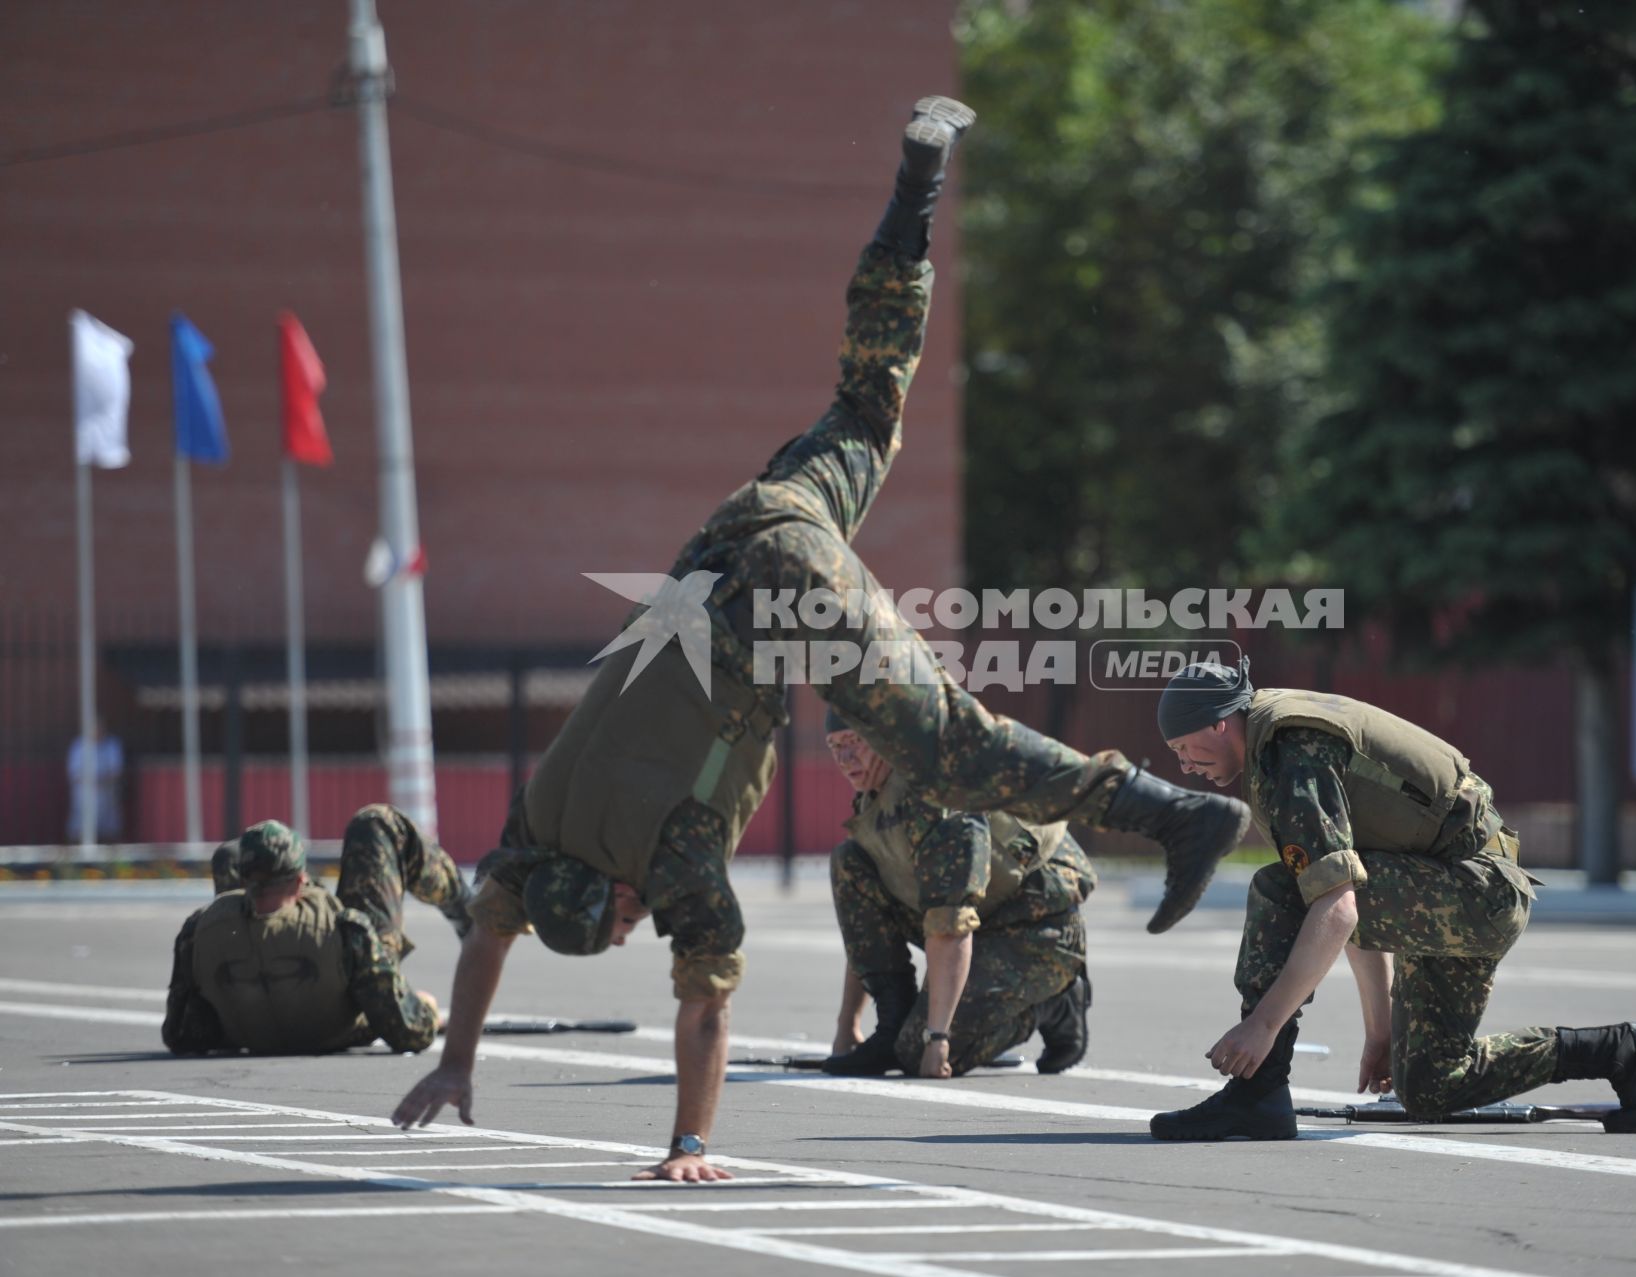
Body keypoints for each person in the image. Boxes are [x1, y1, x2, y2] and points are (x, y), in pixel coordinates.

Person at [389, 97, 1250, 1182]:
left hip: (783, 593)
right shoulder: (533, 825)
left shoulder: (669, 859)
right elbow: (482, 934)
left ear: (610, 892)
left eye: (621, 927)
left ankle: (1168, 813)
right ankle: (917, 186)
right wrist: (457, 1058)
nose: (635, 929)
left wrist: (688, 1143)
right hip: (747, 520)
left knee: (947, 743)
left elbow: (705, 1008)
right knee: (866, 399)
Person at [1146, 659, 1636, 1140]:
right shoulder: (1273, 738)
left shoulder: (1290, 751)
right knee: (1430, 1087)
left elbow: (1337, 904)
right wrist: (1380, 1034)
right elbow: (1351, 892)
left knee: (1279, 890)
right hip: (1456, 887)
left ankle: (1256, 1094)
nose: (1184, 767)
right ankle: (1622, 1051)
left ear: (1218, 723)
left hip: (1473, 889)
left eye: (1183, 749)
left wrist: (1261, 1026)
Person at [818, 709, 1094, 1079]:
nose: (845, 758)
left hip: (1038, 927)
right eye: (835, 747)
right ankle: (893, 1024)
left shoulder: (934, 797)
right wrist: (846, 1027)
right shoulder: (877, 793)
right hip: (982, 917)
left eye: (855, 743)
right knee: (849, 862)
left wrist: (936, 1040)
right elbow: (865, 925)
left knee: (914, 1053)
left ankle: (1058, 1002)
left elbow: (953, 923)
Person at [163, 808, 472, 1055]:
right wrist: (427, 1011)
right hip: (339, 1025)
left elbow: (180, 1034)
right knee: (376, 824)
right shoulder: (347, 930)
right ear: (301, 882)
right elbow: (407, 1033)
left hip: (250, 1026)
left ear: (242, 880)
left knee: (230, 852)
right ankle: (470, 914)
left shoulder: (200, 929)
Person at [66, 718, 123, 842]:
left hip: (107, 794)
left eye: (100, 728)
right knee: (80, 827)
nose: (97, 732)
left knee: (108, 828)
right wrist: (90, 782)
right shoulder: (79, 746)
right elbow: (74, 774)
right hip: (84, 795)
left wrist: (101, 782)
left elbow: (116, 771)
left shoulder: (111, 745)